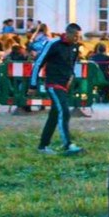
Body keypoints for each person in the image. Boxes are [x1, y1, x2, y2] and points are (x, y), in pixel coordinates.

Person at [30, 23, 84, 155]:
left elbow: (72, 64)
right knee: (64, 112)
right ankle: (68, 144)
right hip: (53, 84)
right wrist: (33, 84)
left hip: (64, 85)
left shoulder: (75, 47)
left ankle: (42, 146)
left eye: (79, 36)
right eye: (76, 36)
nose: (78, 39)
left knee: (54, 116)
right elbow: (38, 63)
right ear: (68, 33)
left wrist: (72, 76)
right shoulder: (53, 44)